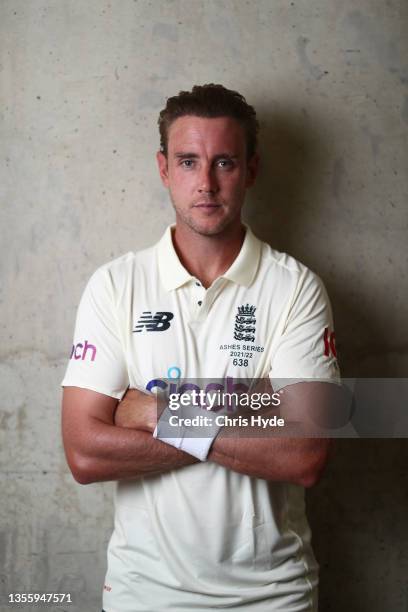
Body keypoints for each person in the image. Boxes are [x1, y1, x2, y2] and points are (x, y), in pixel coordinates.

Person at [61, 84, 340, 612]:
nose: (206, 184)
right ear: (164, 169)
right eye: (188, 162)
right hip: (144, 593)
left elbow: (305, 454)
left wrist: (159, 412)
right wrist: (250, 414)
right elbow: (84, 451)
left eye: (224, 163)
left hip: (273, 595)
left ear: (251, 170)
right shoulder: (115, 286)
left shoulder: (295, 288)